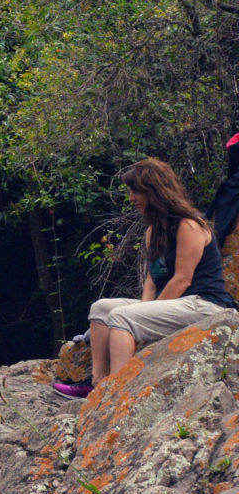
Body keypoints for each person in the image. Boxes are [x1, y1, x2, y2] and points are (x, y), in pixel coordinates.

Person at [52, 156, 239, 399]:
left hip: (204, 304)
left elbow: (183, 279)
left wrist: (139, 317)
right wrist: (143, 310)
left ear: (154, 192)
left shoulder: (189, 225)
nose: (131, 198)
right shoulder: (153, 231)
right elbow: (153, 280)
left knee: (122, 317)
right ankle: (98, 383)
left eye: (135, 191)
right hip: (176, 302)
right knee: (101, 309)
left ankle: (116, 395)